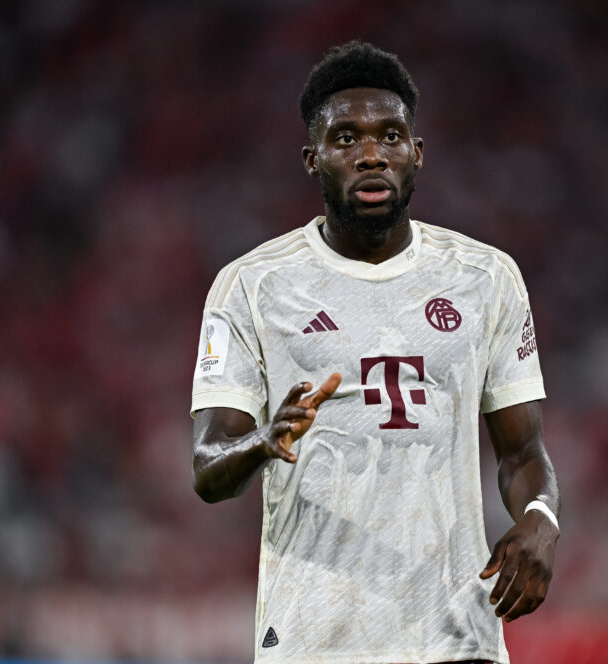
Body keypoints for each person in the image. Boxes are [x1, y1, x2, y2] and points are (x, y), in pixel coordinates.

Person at [190, 41, 560, 664]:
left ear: (416, 154)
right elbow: (207, 467)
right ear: (313, 159)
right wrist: (263, 440)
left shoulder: (486, 278)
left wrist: (543, 520)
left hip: (454, 636)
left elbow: (523, 453)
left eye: (390, 136)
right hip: (315, 637)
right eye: (346, 139)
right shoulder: (251, 285)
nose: (370, 154)